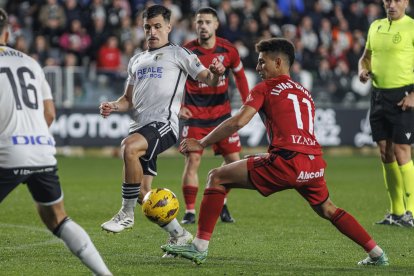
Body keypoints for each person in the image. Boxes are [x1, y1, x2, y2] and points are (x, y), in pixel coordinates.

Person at [161, 37, 389, 266]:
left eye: (262, 62)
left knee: (216, 177)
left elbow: (240, 121)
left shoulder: (265, 88)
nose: (259, 67)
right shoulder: (304, 93)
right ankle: (377, 253)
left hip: (286, 162)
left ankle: (199, 247)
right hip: (313, 163)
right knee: (328, 209)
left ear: (278, 63)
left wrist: (201, 142)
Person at [99, 4, 225, 251]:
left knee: (129, 147)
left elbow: (207, 79)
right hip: (141, 127)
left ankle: (125, 215)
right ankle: (179, 235)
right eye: (147, 27)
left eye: (157, 26)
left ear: (169, 27)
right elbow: (128, 100)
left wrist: (216, 73)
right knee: (143, 193)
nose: (152, 32)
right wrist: (113, 106)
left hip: (165, 125)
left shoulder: (179, 54)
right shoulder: (137, 60)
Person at [0, 8, 112, 276]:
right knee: (57, 218)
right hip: (40, 148)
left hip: (6, 151)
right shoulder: (30, 62)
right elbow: (49, 113)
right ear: (7, 33)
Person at [179, 7, 249, 224]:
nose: (203, 26)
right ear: (195, 25)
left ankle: (222, 205)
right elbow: (174, 80)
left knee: (233, 164)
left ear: (216, 24)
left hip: (222, 116)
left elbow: (240, 77)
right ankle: (190, 212)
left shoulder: (229, 50)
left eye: (207, 22)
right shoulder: (186, 51)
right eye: (199, 22)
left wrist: (248, 105)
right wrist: (177, 106)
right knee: (193, 160)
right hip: (195, 114)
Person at [358, 0, 414, 227]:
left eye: (397, 0)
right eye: (387, 0)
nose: (392, 4)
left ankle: (411, 211)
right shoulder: (376, 26)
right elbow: (365, 57)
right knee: (385, 152)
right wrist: (363, 69)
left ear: (406, 3)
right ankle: (396, 212)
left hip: (403, 96)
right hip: (378, 96)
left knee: (402, 151)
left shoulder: (411, 27)